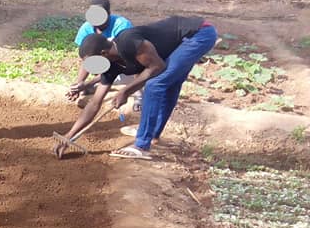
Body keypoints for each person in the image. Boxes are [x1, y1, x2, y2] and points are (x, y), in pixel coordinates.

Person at [56, 16, 218, 161]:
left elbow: (157, 66)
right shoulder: (111, 66)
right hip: (182, 41)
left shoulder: (128, 42)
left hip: (198, 33)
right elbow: (94, 104)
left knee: (156, 85)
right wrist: (69, 136)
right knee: (170, 84)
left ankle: (141, 146)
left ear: (104, 53)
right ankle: (152, 133)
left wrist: (126, 91)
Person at [70, 0, 138, 107]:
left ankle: (139, 95)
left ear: (108, 13)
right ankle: (98, 85)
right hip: (106, 66)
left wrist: (87, 84)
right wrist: (80, 84)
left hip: (125, 64)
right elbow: (86, 58)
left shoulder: (122, 26)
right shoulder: (86, 28)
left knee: (133, 73)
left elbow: (119, 65)